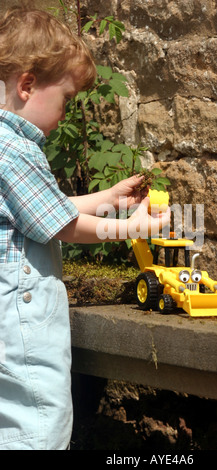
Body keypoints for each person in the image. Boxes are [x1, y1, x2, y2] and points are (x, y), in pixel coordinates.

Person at [0, 6, 170, 450]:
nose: (67, 110)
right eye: (67, 98)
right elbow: (60, 225)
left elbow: (34, 211)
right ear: (27, 85)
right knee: (39, 422)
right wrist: (129, 228)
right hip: (21, 328)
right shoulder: (14, 148)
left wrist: (105, 200)